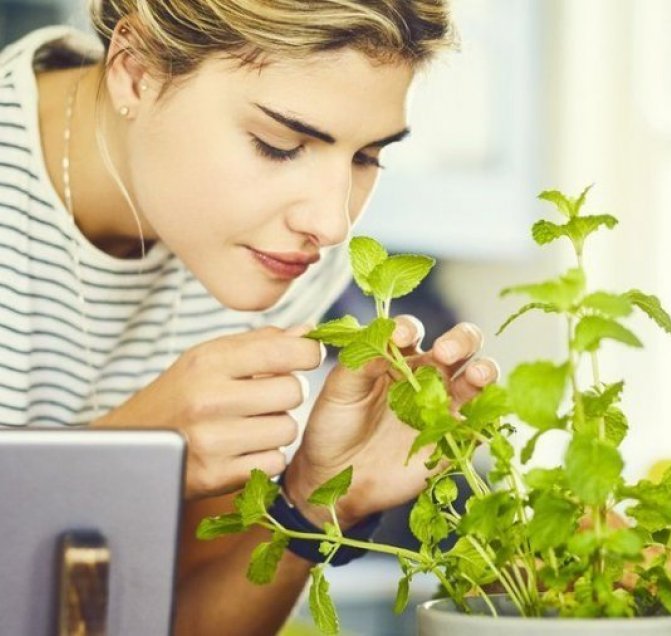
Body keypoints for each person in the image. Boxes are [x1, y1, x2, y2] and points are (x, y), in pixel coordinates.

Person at [0, 1, 500, 634]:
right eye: (279, 146)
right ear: (135, 72)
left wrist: (317, 501)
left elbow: (177, 621)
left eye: (366, 157)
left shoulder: (280, 259)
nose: (331, 224)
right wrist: (120, 456)